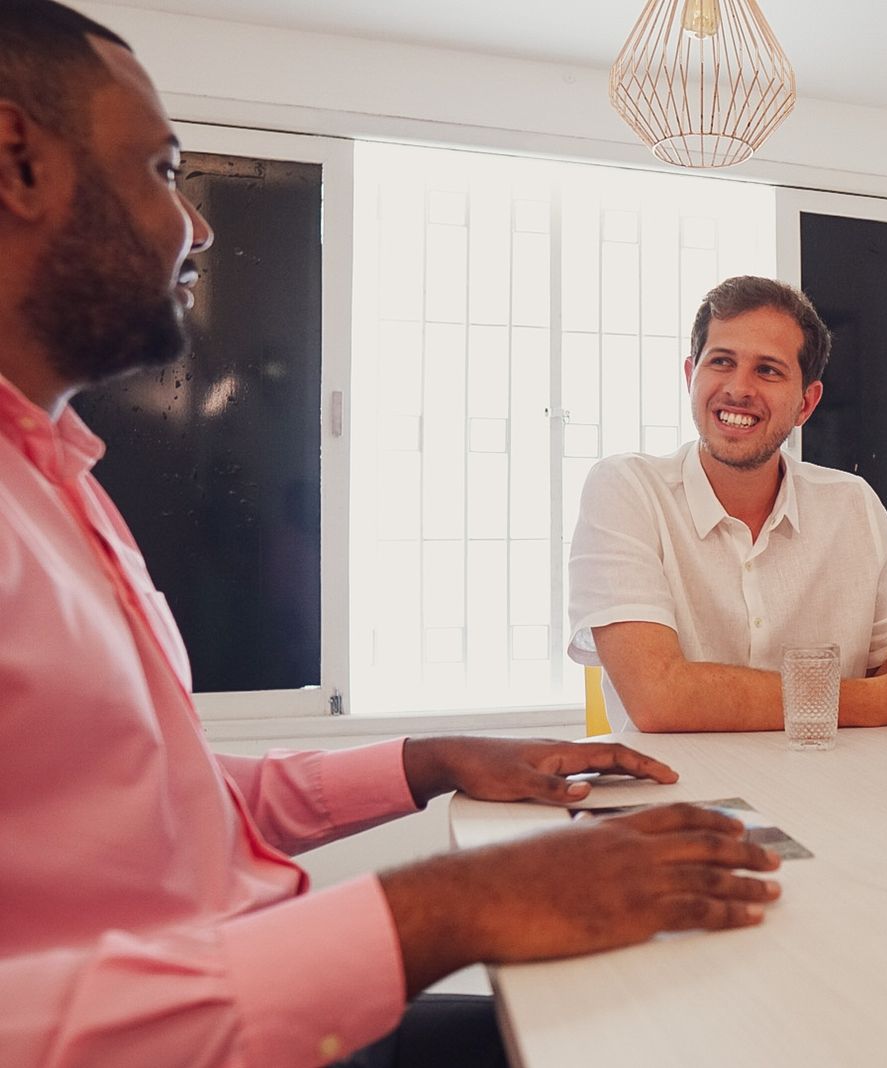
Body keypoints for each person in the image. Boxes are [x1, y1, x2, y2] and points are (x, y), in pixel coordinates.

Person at [0, 6, 781, 1066]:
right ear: (18, 161)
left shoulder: (59, 480)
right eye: (163, 171)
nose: (199, 226)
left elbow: (161, 801)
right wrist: (445, 909)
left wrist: (433, 759)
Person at [566, 275, 887, 732]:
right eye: (721, 361)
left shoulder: (853, 503)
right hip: (678, 779)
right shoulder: (626, 489)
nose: (738, 388)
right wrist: (876, 702)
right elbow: (659, 698)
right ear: (691, 376)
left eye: (768, 370)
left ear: (806, 403)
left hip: (834, 776)